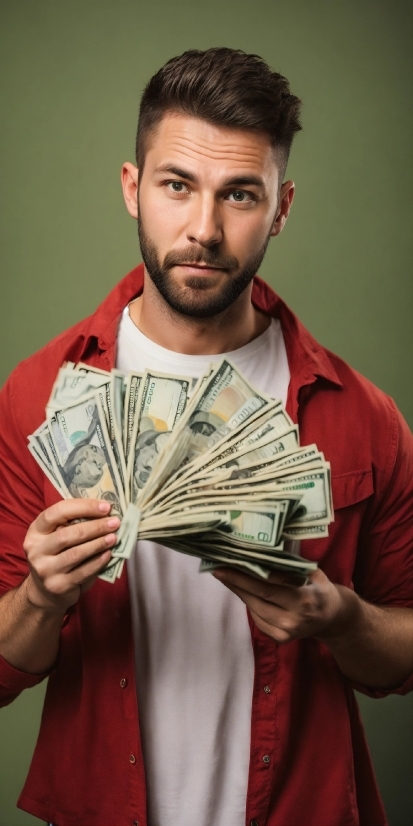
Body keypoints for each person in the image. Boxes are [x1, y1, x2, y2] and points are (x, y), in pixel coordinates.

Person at [0, 47, 412, 826]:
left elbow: (403, 649)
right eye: (177, 185)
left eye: (240, 195)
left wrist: (342, 617)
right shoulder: (35, 398)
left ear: (282, 207)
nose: (204, 229)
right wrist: (40, 596)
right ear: (132, 188)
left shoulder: (364, 416)